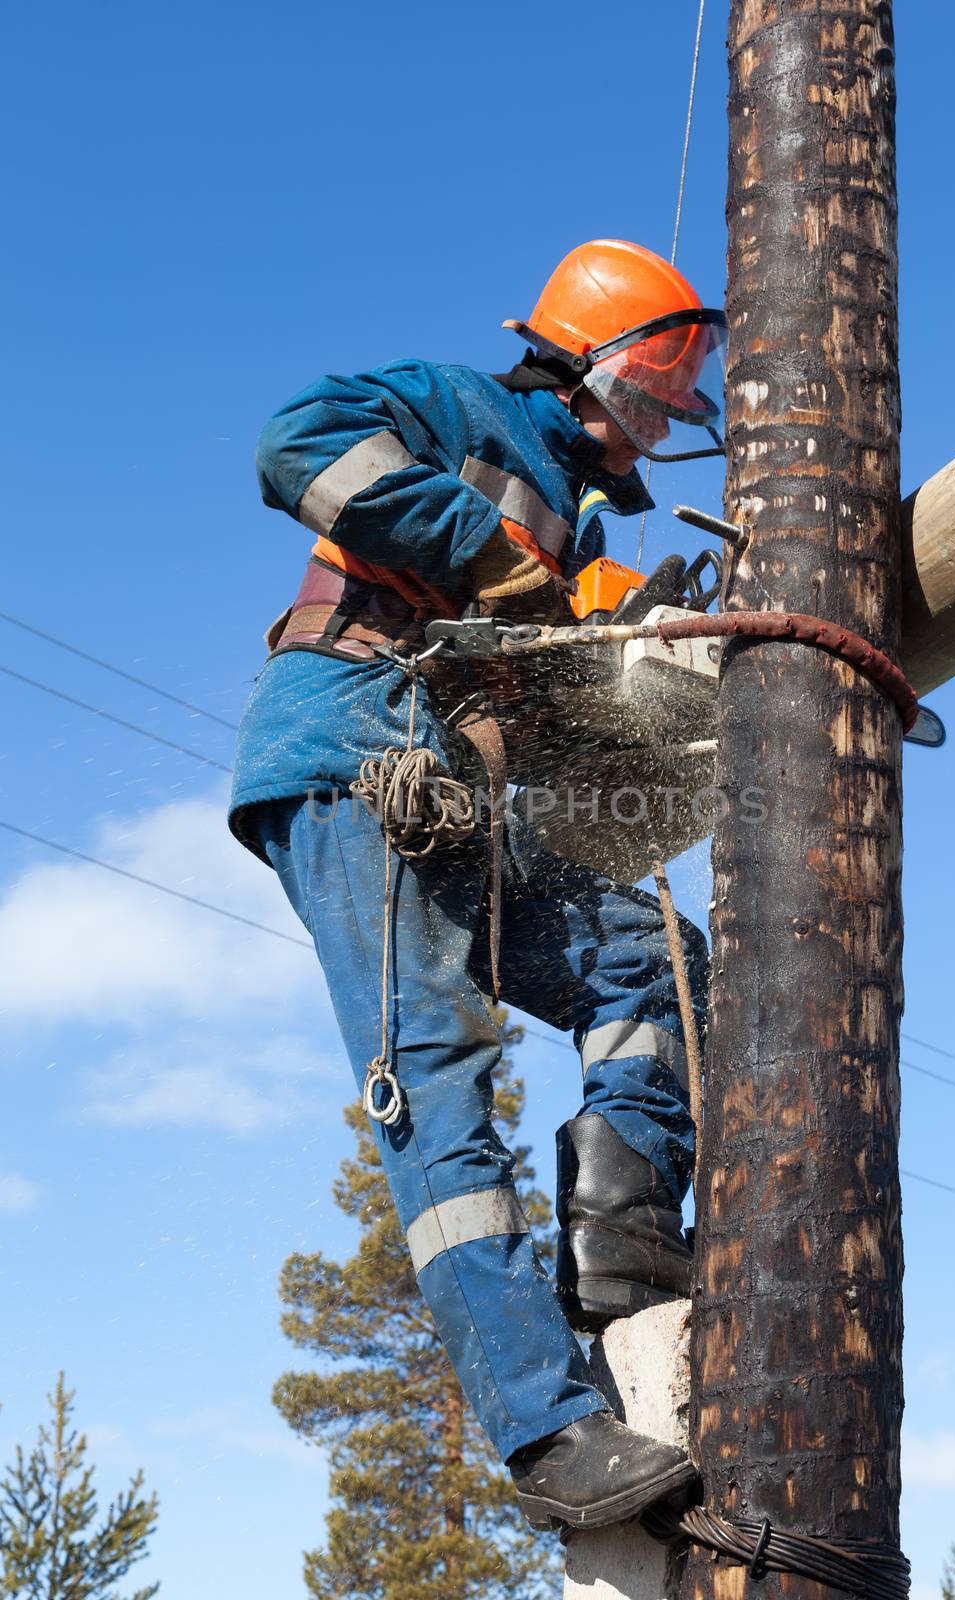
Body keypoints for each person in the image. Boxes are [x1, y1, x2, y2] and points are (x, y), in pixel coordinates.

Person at [229, 239, 725, 1531]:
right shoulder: (466, 409)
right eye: (666, 387)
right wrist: (488, 552)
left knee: (651, 958)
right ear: (599, 366)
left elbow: (553, 711)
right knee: (437, 1068)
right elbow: (301, 438)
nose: (673, 415)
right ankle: (548, 1429)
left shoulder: (582, 512)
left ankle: (620, 1232)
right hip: (355, 754)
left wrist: (639, 675)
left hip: (473, 786)